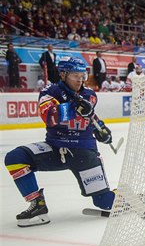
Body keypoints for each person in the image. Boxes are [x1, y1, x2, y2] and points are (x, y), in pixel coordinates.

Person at [3, 56, 116, 227]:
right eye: (75, 75)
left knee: (105, 203)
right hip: (55, 149)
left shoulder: (89, 95)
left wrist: (101, 129)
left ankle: (129, 197)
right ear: (63, 74)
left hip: (83, 153)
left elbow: (91, 116)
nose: (80, 79)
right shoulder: (50, 92)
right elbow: (49, 116)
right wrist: (71, 107)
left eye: (82, 75)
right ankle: (38, 205)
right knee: (15, 158)